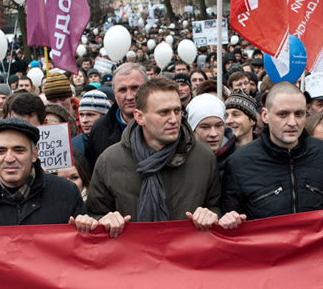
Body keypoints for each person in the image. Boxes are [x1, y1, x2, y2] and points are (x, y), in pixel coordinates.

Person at [87, 77, 228, 231]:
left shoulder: (203, 158)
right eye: (164, 113)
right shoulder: (110, 161)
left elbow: (216, 206)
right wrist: (103, 220)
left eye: (177, 111)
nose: (174, 120)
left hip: (187, 253)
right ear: (139, 117)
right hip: (133, 253)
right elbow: (94, 214)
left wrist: (211, 215)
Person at [222, 83, 323, 221]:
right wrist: (228, 218)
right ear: (265, 116)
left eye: (298, 114)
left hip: (314, 246)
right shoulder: (239, 162)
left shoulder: (320, 152)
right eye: (283, 114)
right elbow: (230, 217)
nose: (292, 122)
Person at [0, 118, 93, 229]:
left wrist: (88, 226)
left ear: (34, 154)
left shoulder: (66, 194)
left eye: (19, 150)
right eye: (0, 151)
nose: (9, 158)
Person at [85, 63, 148, 166]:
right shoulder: (99, 129)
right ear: (114, 93)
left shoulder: (163, 122)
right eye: (122, 90)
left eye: (135, 88)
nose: (129, 96)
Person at [71, 90, 110, 155]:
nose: (84, 120)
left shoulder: (117, 141)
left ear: (104, 116)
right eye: (81, 115)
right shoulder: (73, 145)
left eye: (90, 115)